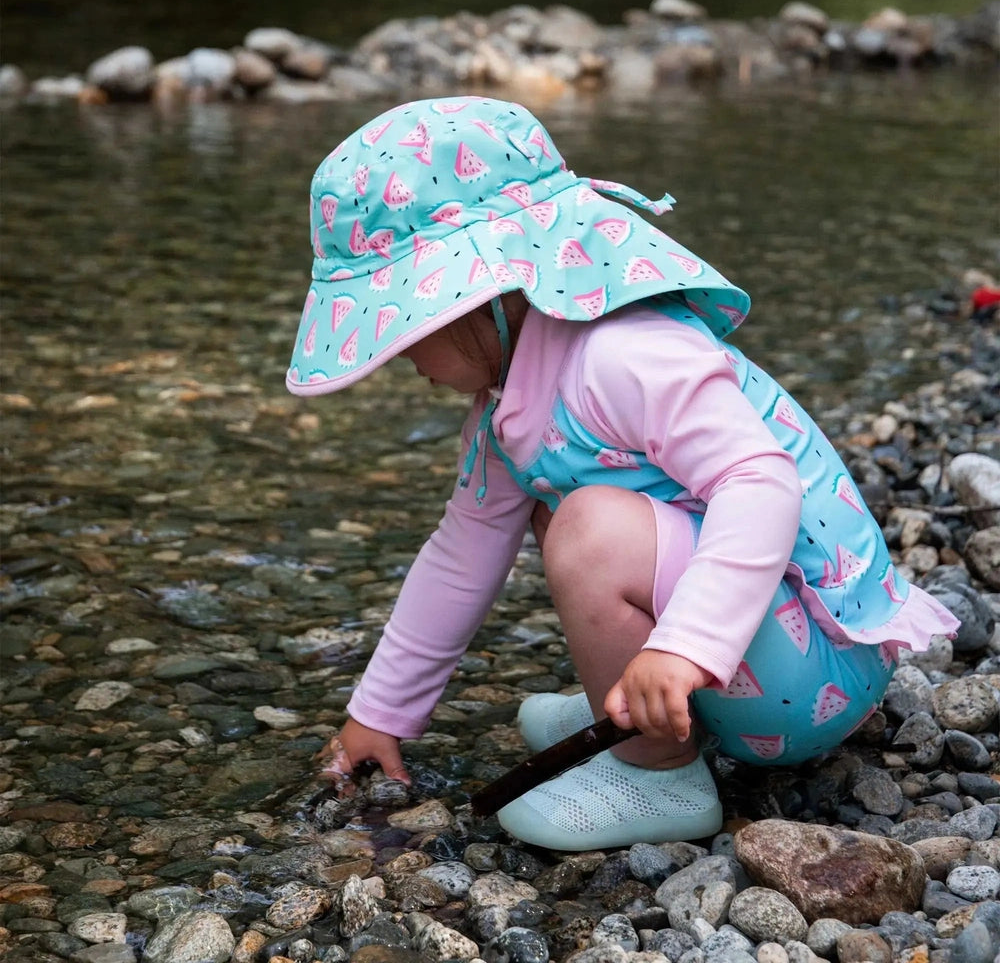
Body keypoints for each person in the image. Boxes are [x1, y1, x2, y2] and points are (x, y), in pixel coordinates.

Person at [285, 95, 959, 851]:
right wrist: (380, 714)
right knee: (555, 513)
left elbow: (760, 484)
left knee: (588, 526)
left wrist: (685, 648)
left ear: (481, 297)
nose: (402, 363)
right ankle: (652, 709)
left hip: (817, 666)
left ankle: (657, 771)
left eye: (406, 334)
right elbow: (458, 556)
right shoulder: (507, 408)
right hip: (754, 650)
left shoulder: (625, 352)